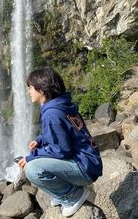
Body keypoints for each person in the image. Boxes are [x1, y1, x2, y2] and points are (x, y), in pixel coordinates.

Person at [18, 67, 103, 217]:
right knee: (36, 161)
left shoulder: (51, 114)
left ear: (42, 90)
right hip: (90, 162)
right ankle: (64, 194)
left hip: (84, 168)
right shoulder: (62, 106)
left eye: (30, 88)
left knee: (32, 169)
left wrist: (32, 156)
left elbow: (61, 150)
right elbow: (66, 132)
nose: (29, 92)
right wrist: (41, 139)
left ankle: (72, 195)